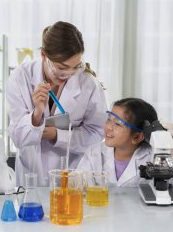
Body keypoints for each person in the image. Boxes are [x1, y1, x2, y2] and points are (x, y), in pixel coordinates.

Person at [7, 21, 107, 186]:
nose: (68, 74)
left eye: (75, 67)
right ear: (44, 55)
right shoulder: (20, 77)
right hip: (32, 173)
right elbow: (17, 138)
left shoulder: (88, 84)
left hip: (72, 173)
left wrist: (58, 136)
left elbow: (96, 133)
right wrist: (36, 115)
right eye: (62, 67)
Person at [77, 98, 173, 195]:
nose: (109, 127)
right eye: (109, 119)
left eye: (118, 124)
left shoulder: (154, 157)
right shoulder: (95, 154)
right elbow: (76, 187)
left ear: (137, 137)